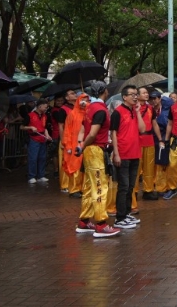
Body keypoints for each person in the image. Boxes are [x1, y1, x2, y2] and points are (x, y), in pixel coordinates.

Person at [75, 81, 120, 238]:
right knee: (100, 186)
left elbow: (82, 129)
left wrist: (80, 144)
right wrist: (82, 145)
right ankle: (100, 224)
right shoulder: (100, 110)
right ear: (104, 91)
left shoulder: (89, 108)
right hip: (95, 150)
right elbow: (92, 134)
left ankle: (84, 220)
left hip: (90, 149)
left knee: (89, 186)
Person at [110, 85, 145, 230]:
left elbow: (142, 129)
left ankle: (127, 213)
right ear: (124, 97)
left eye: (136, 94)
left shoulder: (134, 111)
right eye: (132, 94)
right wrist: (116, 154)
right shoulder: (117, 113)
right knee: (123, 186)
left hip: (135, 153)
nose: (135, 97)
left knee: (131, 186)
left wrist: (137, 113)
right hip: (123, 154)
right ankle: (120, 217)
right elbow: (113, 134)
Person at [55, 90, 83, 197]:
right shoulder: (63, 109)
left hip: (77, 140)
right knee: (65, 161)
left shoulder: (78, 108)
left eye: (74, 93)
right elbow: (60, 126)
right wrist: (63, 140)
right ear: (66, 98)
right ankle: (65, 184)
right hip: (67, 140)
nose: (74, 94)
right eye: (71, 93)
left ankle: (76, 184)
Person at [23, 98, 52, 184]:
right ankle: (31, 176)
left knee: (42, 158)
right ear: (39, 106)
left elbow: (45, 128)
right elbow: (22, 126)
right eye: (45, 107)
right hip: (33, 139)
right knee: (33, 158)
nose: (46, 109)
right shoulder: (30, 115)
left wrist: (47, 135)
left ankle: (41, 175)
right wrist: (30, 127)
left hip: (42, 138)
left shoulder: (45, 116)